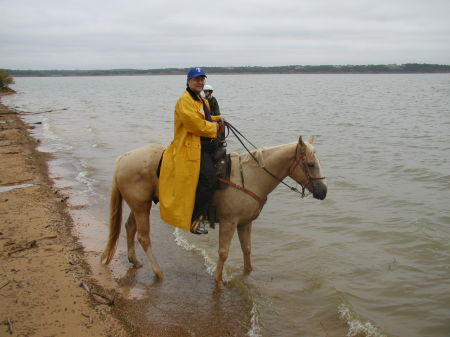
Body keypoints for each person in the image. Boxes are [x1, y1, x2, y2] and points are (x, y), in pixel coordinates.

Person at [159, 67, 224, 235]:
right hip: (191, 147)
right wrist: (215, 127)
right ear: (188, 81)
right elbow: (194, 124)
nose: (200, 82)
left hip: (204, 143)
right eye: (196, 79)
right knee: (208, 178)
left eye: (202, 79)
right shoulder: (184, 100)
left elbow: (204, 118)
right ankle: (195, 220)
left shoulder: (200, 100)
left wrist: (218, 119)